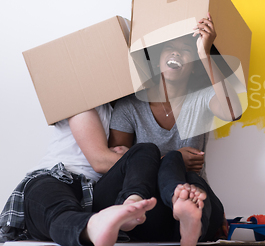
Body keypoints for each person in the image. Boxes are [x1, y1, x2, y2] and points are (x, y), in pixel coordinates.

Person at [108, 13, 242, 246]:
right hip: (147, 209)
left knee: (190, 180)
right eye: (169, 47)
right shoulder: (129, 107)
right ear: (158, 60)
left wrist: (205, 53)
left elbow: (232, 111)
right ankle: (182, 207)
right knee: (169, 158)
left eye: (186, 50)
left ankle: (189, 213)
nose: (176, 53)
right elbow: (119, 163)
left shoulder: (200, 98)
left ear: (192, 67)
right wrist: (172, 157)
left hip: (196, 198)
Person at [0, 104, 159, 246]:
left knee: (146, 150)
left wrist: (134, 157)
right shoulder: (78, 98)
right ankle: (94, 225)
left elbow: (129, 161)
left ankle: (130, 204)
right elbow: (100, 161)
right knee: (59, 211)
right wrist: (126, 158)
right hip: (57, 175)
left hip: (95, 190)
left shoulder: (123, 110)